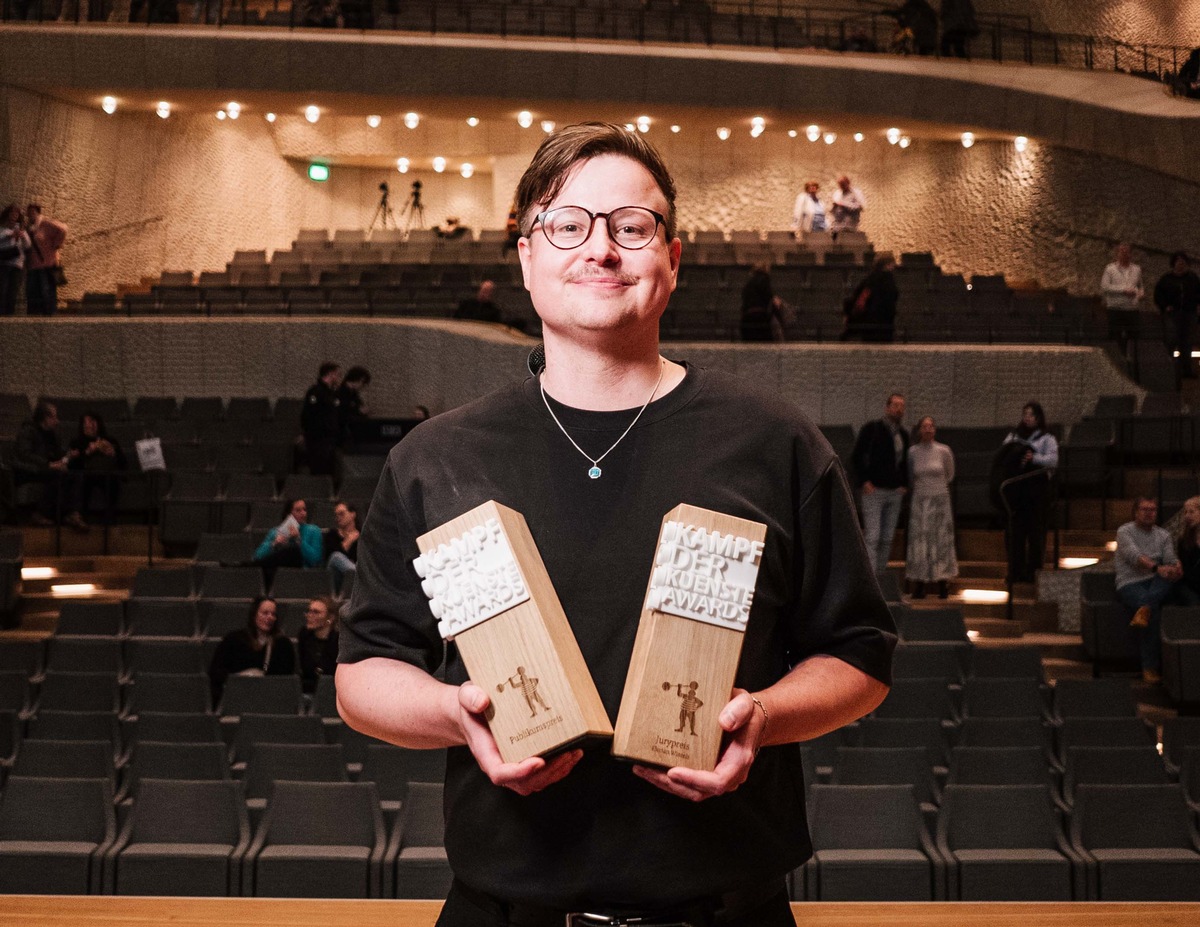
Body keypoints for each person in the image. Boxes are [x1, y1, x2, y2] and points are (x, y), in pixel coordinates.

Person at [336, 122, 894, 927]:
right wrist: (456, 713)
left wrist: (766, 718)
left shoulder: (775, 444)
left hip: (726, 912)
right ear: (526, 255)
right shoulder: (435, 457)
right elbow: (362, 675)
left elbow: (860, 656)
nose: (600, 249)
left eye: (632, 226)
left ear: (673, 257)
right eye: (567, 224)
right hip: (505, 911)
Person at [1115, 497, 1181, 684]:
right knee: (1153, 611)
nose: (1149, 513)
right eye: (1144, 509)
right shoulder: (1125, 531)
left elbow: (1170, 558)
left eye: (1152, 510)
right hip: (1131, 583)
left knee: (1164, 585)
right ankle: (1149, 667)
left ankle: (1145, 607)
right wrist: (1157, 568)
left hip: (1157, 582)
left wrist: (1176, 566)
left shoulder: (1163, 535)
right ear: (1135, 512)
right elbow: (1134, 557)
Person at [997, 401, 1057, 585]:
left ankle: (1033, 573)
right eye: (1025, 414)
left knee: (1035, 534)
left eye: (1031, 415)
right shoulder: (1013, 436)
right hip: (1017, 493)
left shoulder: (1047, 438)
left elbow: (1053, 461)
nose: (1027, 418)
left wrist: (1034, 458)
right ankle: (1015, 572)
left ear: (1038, 417)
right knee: (1015, 534)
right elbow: (1003, 455)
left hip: (1037, 493)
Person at [852, 393, 910, 576]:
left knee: (887, 538)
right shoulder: (872, 429)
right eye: (895, 405)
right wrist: (864, 481)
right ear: (887, 408)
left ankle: (880, 574)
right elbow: (856, 456)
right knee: (873, 536)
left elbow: (905, 463)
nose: (898, 409)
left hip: (894, 492)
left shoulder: (903, 435)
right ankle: (870, 577)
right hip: (874, 490)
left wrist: (904, 484)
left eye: (901, 406)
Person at [207, 596, 297, 705]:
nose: (270, 617)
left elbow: (285, 680)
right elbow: (216, 672)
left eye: (273, 614)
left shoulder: (283, 644)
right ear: (254, 614)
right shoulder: (234, 639)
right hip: (238, 696)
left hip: (269, 699)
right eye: (265, 613)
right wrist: (241, 678)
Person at [905, 415, 958, 599]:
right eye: (924, 426)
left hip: (940, 500)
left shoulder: (944, 450)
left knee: (941, 540)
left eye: (931, 426)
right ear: (919, 430)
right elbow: (911, 476)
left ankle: (943, 583)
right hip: (920, 500)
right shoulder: (912, 452)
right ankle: (919, 584)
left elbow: (950, 474)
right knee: (920, 541)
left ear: (935, 430)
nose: (928, 429)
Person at [13, 401, 87, 531]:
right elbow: (24, 455)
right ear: (45, 418)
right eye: (54, 417)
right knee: (56, 475)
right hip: (29, 470)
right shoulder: (28, 432)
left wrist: (68, 456)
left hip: (46, 468)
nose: (57, 421)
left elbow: (57, 456)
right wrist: (48, 465)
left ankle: (72, 514)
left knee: (75, 475)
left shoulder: (53, 435)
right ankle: (41, 514)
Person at [67, 411, 127, 522]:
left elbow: (123, 463)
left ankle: (110, 519)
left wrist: (113, 453)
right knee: (81, 480)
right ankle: (80, 517)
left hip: (106, 473)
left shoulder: (110, 440)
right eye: (86, 423)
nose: (89, 425)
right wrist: (88, 452)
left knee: (112, 481)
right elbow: (72, 465)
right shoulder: (77, 442)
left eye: (92, 422)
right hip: (86, 474)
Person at [1152, 251, 1200, 380]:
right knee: (1171, 340)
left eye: (1183, 262)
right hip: (1172, 314)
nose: (1181, 264)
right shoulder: (1166, 279)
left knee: (1187, 342)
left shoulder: (1193, 278)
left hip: (1189, 314)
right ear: (1174, 264)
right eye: (1178, 262)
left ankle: (1186, 369)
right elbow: (1158, 295)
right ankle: (1169, 368)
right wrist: (1165, 306)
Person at [253, 498, 324, 583]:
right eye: (298, 510)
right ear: (289, 514)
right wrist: (274, 544)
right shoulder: (275, 532)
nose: (303, 513)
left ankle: (248, 566)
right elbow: (257, 556)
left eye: (304, 510)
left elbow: (315, 560)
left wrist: (299, 540)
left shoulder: (314, 530)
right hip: (276, 573)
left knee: (293, 551)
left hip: (301, 572)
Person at [1100, 242, 1145, 357]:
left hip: (1132, 308)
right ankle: (1118, 359)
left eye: (1127, 251)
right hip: (1116, 308)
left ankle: (1132, 360)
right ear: (1117, 254)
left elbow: (1140, 286)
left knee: (1134, 336)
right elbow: (1105, 286)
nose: (1124, 254)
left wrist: (1140, 294)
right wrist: (1123, 290)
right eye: (1122, 251)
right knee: (1115, 336)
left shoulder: (1137, 269)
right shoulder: (1110, 269)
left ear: (1131, 254)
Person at [843, 252, 899, 342]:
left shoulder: (869, 279)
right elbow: (890, 302)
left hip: (868, 323)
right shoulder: (888, 280)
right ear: (888, 265)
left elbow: (857, 297)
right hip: (884, 324)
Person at [24, 204, 67, 317]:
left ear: (38, 212)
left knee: (47, 288)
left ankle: (49, 312)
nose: (30, 214)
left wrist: (57, 244)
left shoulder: (46, 223)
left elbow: (63, 229)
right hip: (33, 263)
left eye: (33, 212)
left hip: (47, 262)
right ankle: (35, 313)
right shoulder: (28, 227)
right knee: (33, 289)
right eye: (29, 212)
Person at [301, 362, 342, 475]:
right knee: (319, 470)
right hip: (318, 439)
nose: (339, 378)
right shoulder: (316, 392)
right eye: (337, 374)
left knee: (329, 470)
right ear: (331, 374)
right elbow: (308, 416)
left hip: (330, 438)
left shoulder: (332, 393)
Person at [297, 595, 340, 695]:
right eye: (309, 611)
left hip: (331, 691)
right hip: (307, 690)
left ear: (330, 618)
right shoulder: (304, 635)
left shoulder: (338, 641)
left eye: (316, 612)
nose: (310, 615)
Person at [738, 263, 787, 342]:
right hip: (760, 318)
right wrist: (780, 319)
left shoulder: (748, 285)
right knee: (765, 344)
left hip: (746, 319)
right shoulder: (764, 279)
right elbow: (769, 299)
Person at [0, 205, 31, 317]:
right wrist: (9, 235)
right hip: (3, 262)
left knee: (13, 290)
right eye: (12, 213)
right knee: (2, 289)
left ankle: (9, 313)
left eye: (16, 213)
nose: (14, 215)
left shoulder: (21, 230)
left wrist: (22, 236)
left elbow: (28, 245)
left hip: (17, 264)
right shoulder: (2, 229)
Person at [324, 500, 359, 593]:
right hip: (336, 577)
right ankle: (360, 576)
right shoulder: (332, 534)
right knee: (336, 556)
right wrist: (349, 541)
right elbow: (330, 558)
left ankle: (357, 575)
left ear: (353, 514)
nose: (338, 518)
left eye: (341, 514)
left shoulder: (363, 536)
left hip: (352, 580)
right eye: (336, 515)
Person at [1173, 496, 1200, 606]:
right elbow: (1186, 571)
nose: (1187, 516)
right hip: (1188, 584)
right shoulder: (1183, 539)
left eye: (1191, 512)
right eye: (1185, 512)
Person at [336, 365, 371, 450]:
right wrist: (358, 410)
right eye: (363, 383)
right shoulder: (341, 393)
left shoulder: (353, 394)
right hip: (342, 433)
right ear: (360, 380)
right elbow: (342, 411)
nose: (362, 387)